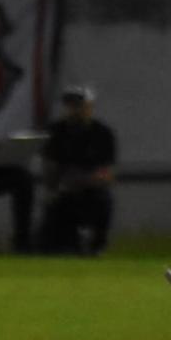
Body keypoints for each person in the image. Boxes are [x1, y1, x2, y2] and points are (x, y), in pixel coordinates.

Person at [39, 85, 116, 255]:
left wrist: (85, 180)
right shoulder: (56, 131)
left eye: (78, 105)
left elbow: (107, 173)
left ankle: (97, 245)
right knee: (54, 210)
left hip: (92, 188)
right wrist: (56, 186)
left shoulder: (102, 133)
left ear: (89, 107)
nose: (74, 109)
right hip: (64, 189)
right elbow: (50, 167)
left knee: (104, 201)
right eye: (70, 105)